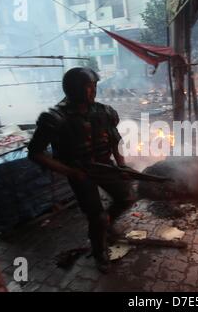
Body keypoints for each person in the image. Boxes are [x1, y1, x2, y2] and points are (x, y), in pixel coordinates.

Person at [27, 67, 133, 273]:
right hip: (79, 172)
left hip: (104, 165)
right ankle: (99, 251)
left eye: (94, 86)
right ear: (74, 89)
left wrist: (121, 164)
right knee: (97, 217)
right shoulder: (54, 117)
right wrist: (70, 172)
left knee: (126, 198)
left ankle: (107, 225)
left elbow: (114, 141)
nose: (93, 91)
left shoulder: (104, 111)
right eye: (88, 87)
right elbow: (35, 153)